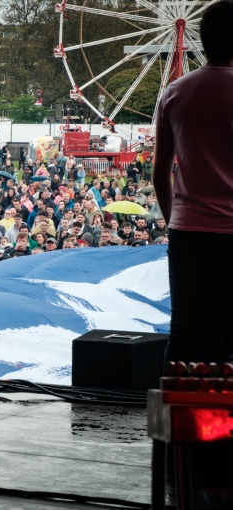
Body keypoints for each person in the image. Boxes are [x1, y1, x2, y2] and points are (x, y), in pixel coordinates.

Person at [154, 0, 233, 365]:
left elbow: (160, 173)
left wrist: (174, 221)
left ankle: (171, 417)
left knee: (184, 328)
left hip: (189, 230)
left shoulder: (175, 93)